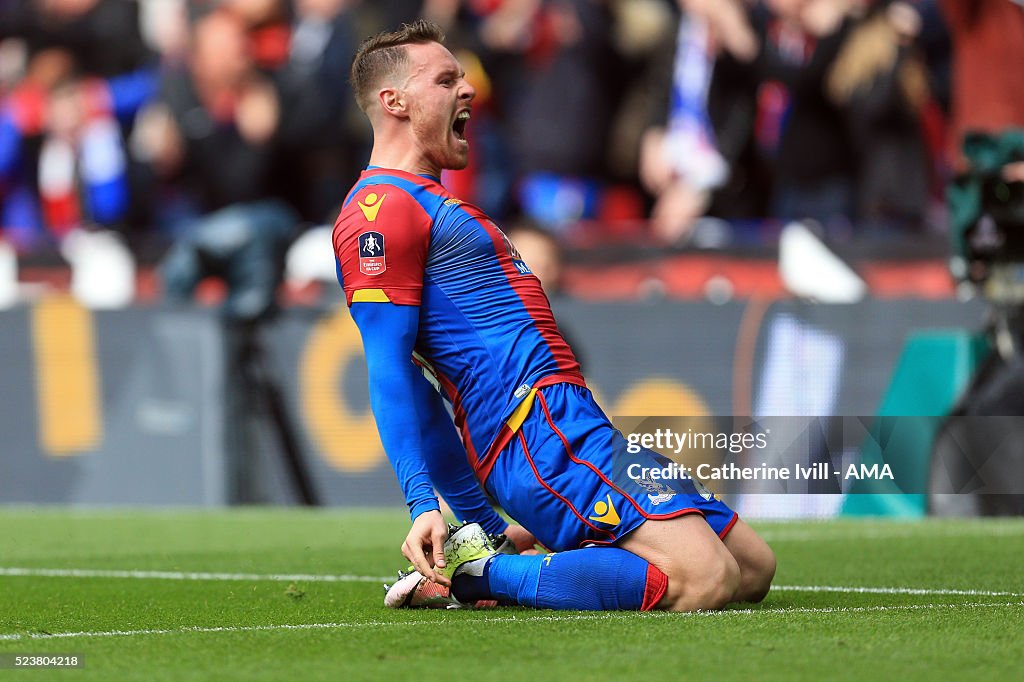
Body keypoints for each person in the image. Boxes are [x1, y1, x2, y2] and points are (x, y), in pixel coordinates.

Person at [333, 19, 776, 611]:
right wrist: (424, 505)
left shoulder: (431, 201)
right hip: (534, 430)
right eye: (446, 80)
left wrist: (478, 521)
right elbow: (393, 373)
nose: (467, 91)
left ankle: (501, 550)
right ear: (394, 101)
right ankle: (481, 578)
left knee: (751, 568)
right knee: (704, 581)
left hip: (569, 420)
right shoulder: (378, 209)